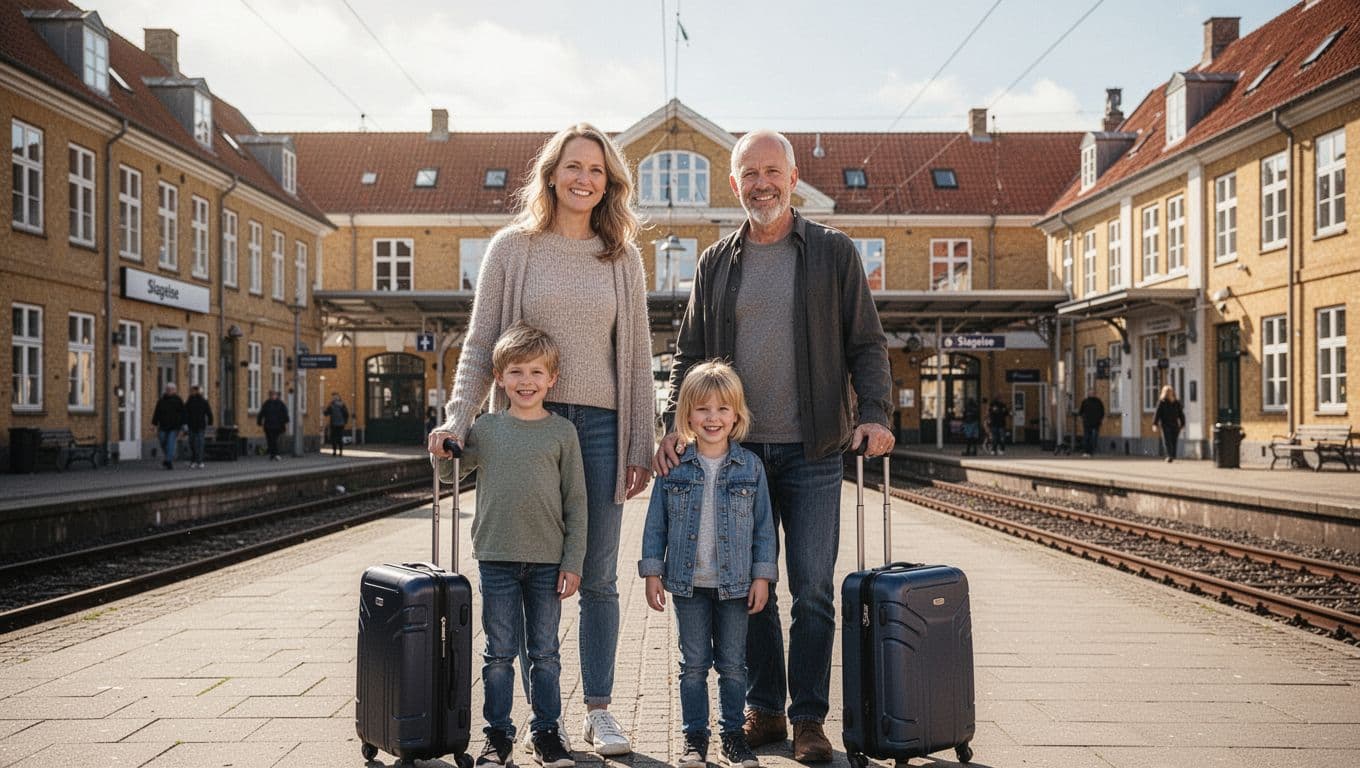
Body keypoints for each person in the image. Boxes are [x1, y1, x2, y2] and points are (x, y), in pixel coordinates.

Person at [653, 130, 894, 762]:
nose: (761, 183)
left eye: (772, 171)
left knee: (812, 588)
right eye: (749, 174)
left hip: (814, 449)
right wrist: (673, 425)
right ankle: (764, 709)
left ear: (792, 179)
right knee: (746, 584)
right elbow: (688, 352)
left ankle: (810, 718)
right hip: (737, 456)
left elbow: (866, 344)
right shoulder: (715, 263)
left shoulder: (834, 253)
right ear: (734, 185)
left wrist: (875, 414)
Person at [427, 123, 653, 755]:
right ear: (552, 173)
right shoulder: (512, 248)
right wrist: (458, 419)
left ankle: (601, 710)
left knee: (599, 575)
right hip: (525, 428)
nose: (585, 179)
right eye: (574, 166)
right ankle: (535, 715)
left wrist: (641, 442)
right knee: (529, 569)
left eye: (598, 171)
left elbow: (635, 356)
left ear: (610, 184)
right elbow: (480, 344)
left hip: (602, 428)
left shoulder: (621, 256)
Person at [438, 324, 586, 768]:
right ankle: (497, 736)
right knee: (498, 653)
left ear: (552, 379)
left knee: (545, 653)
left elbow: (576, 502)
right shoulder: (486, 428)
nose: (526, 381)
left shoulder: (562, 433)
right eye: (516, 372)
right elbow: (449, 477)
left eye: (536, 372)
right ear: (499, 378)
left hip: (547, 561)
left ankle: (546, 734)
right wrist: (443, 447)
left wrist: (573, 560)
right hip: (496, 557)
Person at [640, 361, 776, 768]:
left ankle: (733, 736)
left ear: (736, 415)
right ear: (687, 415)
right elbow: (655, 523)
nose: (712, 418)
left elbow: (764, 529)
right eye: (702, 409)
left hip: (736, 585)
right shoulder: (674, 466)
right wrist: (651, 570)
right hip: (688, 584)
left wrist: (762, 576)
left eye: (722, 409)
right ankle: (694, 738)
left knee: (734, 665)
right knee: (693, 665)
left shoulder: (751, 468)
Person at [151, 382, 186, 470]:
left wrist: (183, 426)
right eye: (167, 389)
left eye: (171, 389)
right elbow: (157, 413)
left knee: (170, 443)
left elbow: (183, 414)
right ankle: (168, 457)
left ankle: (168, 461)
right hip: (163, 425)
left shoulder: (178, 400)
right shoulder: (161, 400)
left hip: (174, 426)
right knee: (163, 441)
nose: (169, 391)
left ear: (175, 390)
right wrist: (154, 424)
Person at [1152, 384, 1185, 463]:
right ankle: (1169, 456)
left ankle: (1173, 455)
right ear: (1164, 393)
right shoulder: (1162, 402)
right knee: (1167, 440)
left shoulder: (1176, 402)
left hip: (1175, 425)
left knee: (1174, 440)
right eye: (1167, 392)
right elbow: (1157, 413)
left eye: (1170, 391)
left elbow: (1181, 414)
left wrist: (1183, 423)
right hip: (1165, 424)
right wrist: (1155, 424)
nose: (1169, 393)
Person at [184, 385, 213, 468]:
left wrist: (210, 422)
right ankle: (194, 460)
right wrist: (185, 423)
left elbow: (208, 412)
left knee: (199, 444)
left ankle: (199, 461)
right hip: (191, 425)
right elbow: (185, 412)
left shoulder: (203, 401)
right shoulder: (189, 401)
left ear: (197, 391)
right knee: (192, 443)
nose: (191, 392)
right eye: (191, 391)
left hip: (200, 426)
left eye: (193, 391)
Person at [257, 390, 289, 461]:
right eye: (272, 395)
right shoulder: (267, 404)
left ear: (276, 396)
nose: (273, 396)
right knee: (270, 440)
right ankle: (273, 454)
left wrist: (285, 421)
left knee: (274, 440)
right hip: (268, 426)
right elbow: (262, 413)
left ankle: (275, 454)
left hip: (277, 426)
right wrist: (259, 421)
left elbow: (284, 413)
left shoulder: (280, 404)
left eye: (274, 395)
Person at [1078, 392, 1106, 457]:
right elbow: (1081, 412)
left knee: (1093, 437)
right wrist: (1082, 419)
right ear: (1088, 394)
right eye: (1090, 393)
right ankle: (1086, 451)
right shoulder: (1085, 401)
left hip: (1095, 423)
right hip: (1087, 423)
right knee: (1087, 437)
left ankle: (1091, 451)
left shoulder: (1098, 402)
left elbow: (1102, 411)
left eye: (1092, 393)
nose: (1091, 394)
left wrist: (1101, 419)